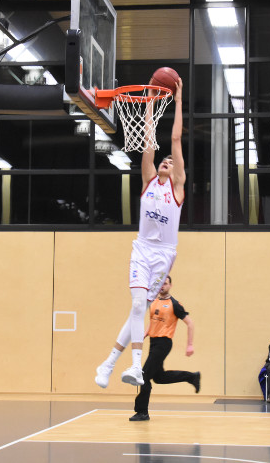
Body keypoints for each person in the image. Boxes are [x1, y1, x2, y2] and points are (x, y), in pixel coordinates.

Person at [95, 77, 185, 388]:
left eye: (171, 163)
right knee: (136, 306)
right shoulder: (149, 181)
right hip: (143, 248)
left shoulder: (177, 192)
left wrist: (179, 98)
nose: (166, 162)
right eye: (164, 161)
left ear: (177, 173)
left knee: (139, 308)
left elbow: (175, 140)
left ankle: (108, 363)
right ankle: (133, 366)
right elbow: (151, 142)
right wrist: (148, 102)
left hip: (164, 256)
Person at [129, 275, 200, 421]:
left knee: (144, 375)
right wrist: (146, 333)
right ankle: (192, 377)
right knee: (159, 377)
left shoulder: (175, 304)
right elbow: (153, 321)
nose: (163, 286)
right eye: (161, 284)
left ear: (170, 286)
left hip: (163, 343)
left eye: (165, 284)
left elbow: (190, 323)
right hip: (154, 342)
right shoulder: (153, 301)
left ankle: (142, 411)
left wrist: (190, 344)